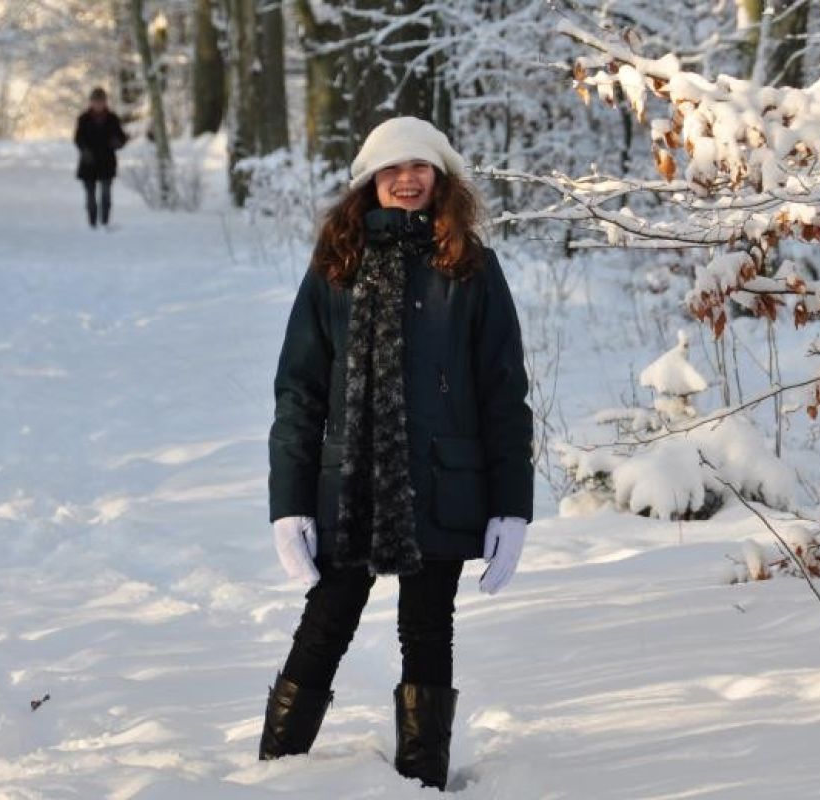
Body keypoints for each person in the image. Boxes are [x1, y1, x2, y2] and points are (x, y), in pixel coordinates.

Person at [260, 116, 534, 791]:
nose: (406, 179)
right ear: (368, 183)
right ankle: (276, 773)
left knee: (427, 630)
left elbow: (503, 393)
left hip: (441, 486)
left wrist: (512, 508)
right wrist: (289, 504)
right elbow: (298, 391)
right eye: (391, 168)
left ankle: (421, 780)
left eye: (420, 168)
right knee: (325, 624)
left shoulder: (470, 267)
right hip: (347, 488)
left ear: (440, 180)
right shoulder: (335, 267)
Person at [72, 87, 127, 229]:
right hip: (88, 162)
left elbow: (121, 138)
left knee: (106, 195)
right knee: (90, 196)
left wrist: (118, 142)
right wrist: (85, 151)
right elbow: (78, 139)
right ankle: (92, 222)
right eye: (95, 101)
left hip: (107, 162)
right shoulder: (83, 119)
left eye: (101, 101)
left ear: (105, 102)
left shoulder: (113, 119)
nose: (98, 104)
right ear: (91, 102)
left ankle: (105, 222)